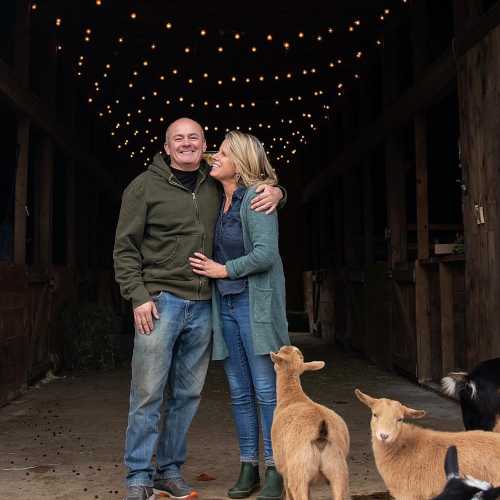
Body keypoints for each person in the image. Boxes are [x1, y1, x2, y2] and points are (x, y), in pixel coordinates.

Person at [113, 118, 284, 500]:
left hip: (206, 303)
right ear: (167, 146)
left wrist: (277, 192)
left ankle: (169, 471)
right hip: (159, 302)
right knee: (147, 392)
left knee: (187, 395)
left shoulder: (214, 182)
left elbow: (251, 182)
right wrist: (138, 295)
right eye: (179, 138)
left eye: (194, 138)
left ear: (204, 145)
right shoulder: (143, 187)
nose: (187, 144)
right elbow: (124, 249)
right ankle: (139, 476)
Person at [189, 131, 290, 500]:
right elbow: (187, 159)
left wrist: (223, 271)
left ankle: (277, 469)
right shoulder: (219, 196)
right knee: (239, 392)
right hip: (226, 307)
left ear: (241, 162)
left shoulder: (256, 199)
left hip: (253, 304)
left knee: (266, 390)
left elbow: (266, 254)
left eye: (224, 152)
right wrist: (281, 188)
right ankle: (248, 465)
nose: (215, 155)